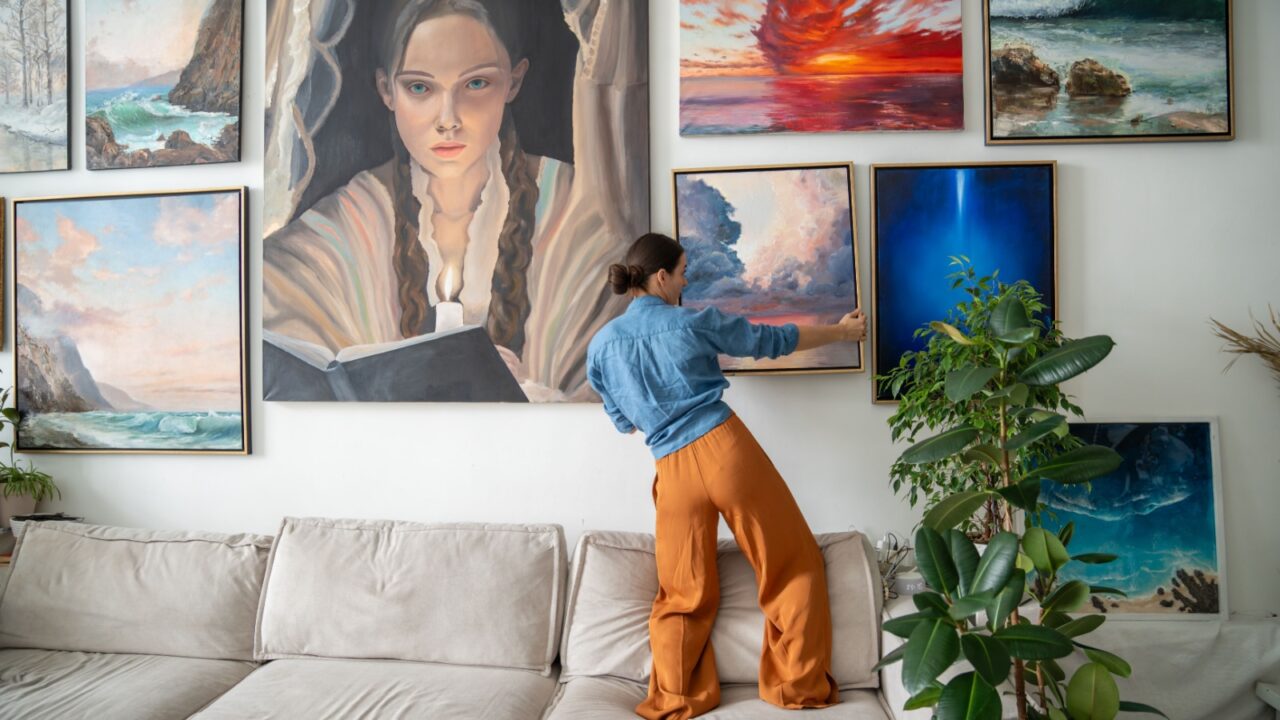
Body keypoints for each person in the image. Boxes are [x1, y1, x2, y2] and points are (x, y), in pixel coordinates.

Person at [263, 0, 644, 402]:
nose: (449, 118)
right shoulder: (339, 231)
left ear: (514, 82)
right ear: (385, 90)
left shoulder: (580, 210)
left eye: (476, 84)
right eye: (420, 87)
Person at [586, 233, 867, 720]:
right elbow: (770, 340)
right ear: (661, 278)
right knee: (791, 561)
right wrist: (842, 333)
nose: (686, 279)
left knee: (681, 591)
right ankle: (797, 686)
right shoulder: (692, 322)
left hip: (670, 469)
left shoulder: (600, 348)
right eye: (682, 271)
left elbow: (623, 421)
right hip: (724, 448)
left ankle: (675, 699)